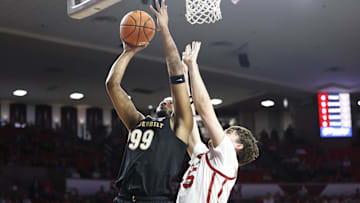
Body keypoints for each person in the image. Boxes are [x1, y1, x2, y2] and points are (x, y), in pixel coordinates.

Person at [105, 0, 193, 202]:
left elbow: (175, 70)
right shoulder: (138, 122)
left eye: (171, 100)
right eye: (165, 100)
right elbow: (112, 85)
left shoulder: (181, 125)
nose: (166, 101)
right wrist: (128, 52)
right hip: (123, 197)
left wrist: (164, 29)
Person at [176, 41, 260, 203]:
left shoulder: (228, 156)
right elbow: (189, 119)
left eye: (228, 133)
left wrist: (193, 67)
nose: (221, 133)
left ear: (238, 146)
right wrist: (184, 74)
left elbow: (205, 110)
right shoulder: (204, 156)